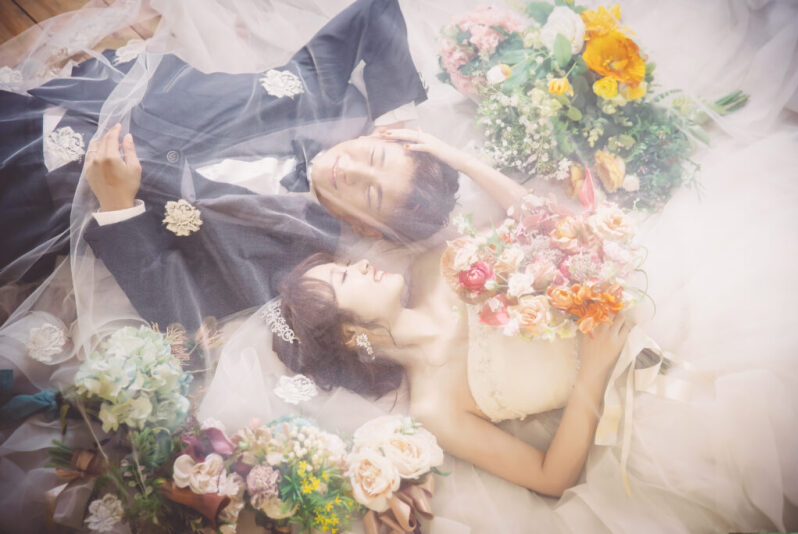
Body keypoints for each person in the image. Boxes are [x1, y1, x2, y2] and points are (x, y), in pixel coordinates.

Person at [263, 130, 798, 532]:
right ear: (351, 335)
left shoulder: (433, 267)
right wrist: (593, 373)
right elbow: (549, 477)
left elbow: (542, 223)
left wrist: (459, 159)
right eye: (343, 279)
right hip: (642, 408)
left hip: (661, 300)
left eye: (344, 266)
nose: (359, 265)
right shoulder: (433, 407)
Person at [0, 0, 459, 329]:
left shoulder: (293, 254)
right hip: (58, 108)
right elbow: (376, 11)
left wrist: (118, 206)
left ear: (368, 229)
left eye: (371, 193)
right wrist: (397, 124)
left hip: (45, 205)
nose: (353, 170)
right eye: (374, 156)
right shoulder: (321, 96)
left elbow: (177, 308)